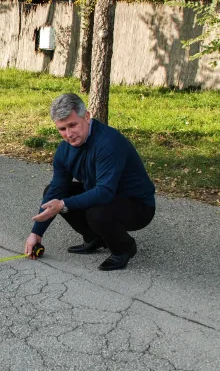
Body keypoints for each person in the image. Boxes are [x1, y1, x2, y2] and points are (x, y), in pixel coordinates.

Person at [24, 93, 156, 271]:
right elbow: (56, 190)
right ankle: (95, 237)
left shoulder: (109, 143)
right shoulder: (64, 151)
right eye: (62, 129)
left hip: (137, 206)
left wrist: (63, 204)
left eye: (73, 125)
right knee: (53, 192)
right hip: (105, 197)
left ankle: (124, 248)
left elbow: (104, 192)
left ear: (87, 116)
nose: (69, 134)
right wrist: (36, 233)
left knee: (96, 212)